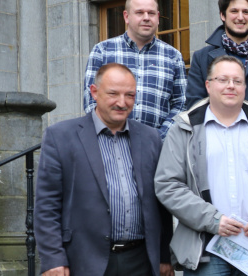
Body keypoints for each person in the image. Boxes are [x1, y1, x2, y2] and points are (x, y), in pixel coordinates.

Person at [155, 56, 248, 274]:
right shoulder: (185, 128)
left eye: (237, 81)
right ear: (208, 85)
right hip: (206, 248)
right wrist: (212, 220)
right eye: (223, 80)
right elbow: (168, 184)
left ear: (245, 86)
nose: (230, 86)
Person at [37, 63, 173, 276]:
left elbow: (161, 203)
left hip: (142, 261)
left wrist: (164, 256)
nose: (122, 102)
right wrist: (53, 258)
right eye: (113, 94)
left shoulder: (151, 138)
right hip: (83, 261)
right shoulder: (60, 136)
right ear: (94, 92)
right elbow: (47, 205)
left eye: (130, 95)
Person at [83, 0, 186, 138]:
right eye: (139, 12)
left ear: (157, 17)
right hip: (109, 142)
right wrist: (109, 133)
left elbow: (181, 104)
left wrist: (159, 137)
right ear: (126, 17)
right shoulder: (102, 51)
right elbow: (90, 98)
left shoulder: (173, 56)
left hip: (157, 149)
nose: (146, 18)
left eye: (151, 13)